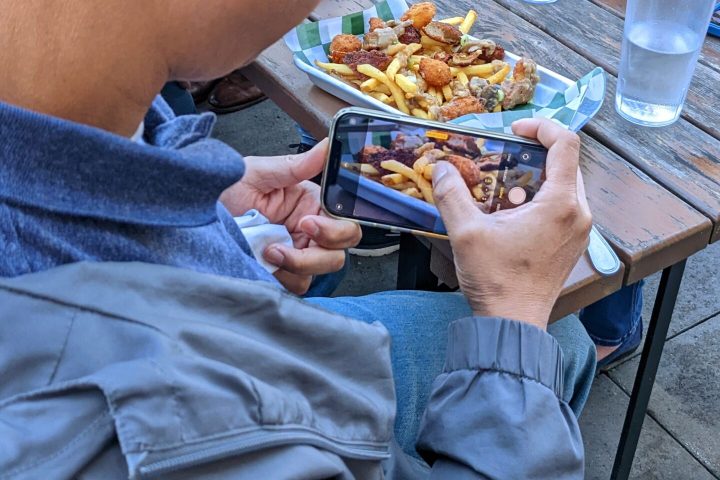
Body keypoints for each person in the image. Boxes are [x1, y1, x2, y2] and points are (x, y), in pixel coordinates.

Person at [0, 0, 594, 477]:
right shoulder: (167, 430)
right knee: (558, 339)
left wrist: (217, 227)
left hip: (234, 349)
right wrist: (514, 315)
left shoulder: (75, 87)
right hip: (249, 397)